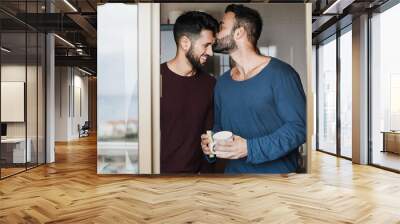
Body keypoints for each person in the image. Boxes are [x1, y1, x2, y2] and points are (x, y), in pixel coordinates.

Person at [201, 4, 306, 174]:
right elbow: (220, 126)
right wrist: (212, 144)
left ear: (239, 32)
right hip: (234, 183)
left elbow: (299, 128)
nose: (215, 34)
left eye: (221, 27)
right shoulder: (222, 83)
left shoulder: (282, 74)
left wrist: (249, 148)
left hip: (277, 183)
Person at [161, 11, 219, 173]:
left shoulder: (210, 84)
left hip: (196, 178)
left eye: (211, 46)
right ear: (185, 43)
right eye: (206, 45)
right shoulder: (152, 80)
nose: (210, 52)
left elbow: (210, 135)